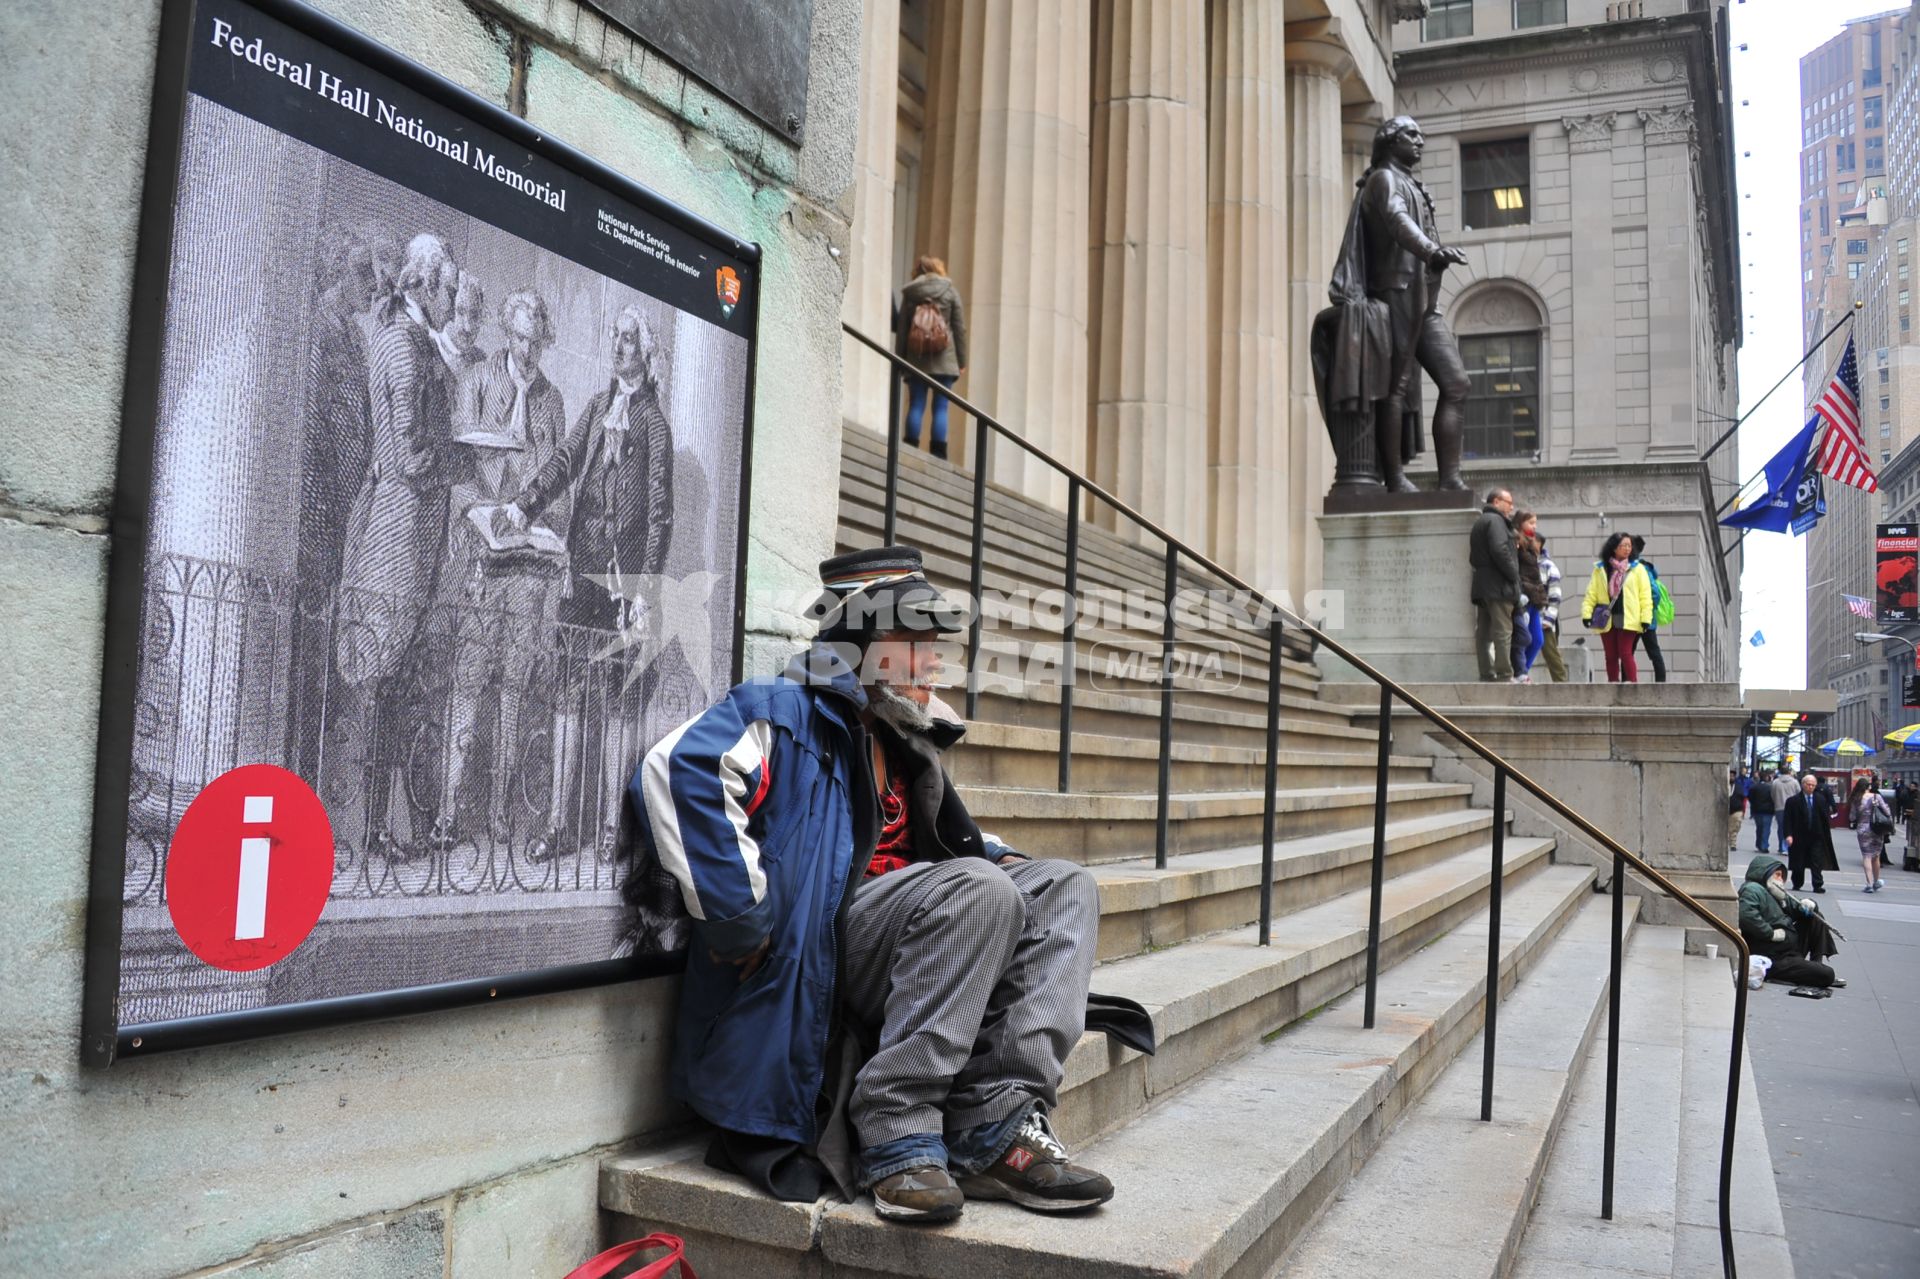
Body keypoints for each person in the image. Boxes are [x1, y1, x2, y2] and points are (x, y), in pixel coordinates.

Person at [636, 546, 1126, 1224]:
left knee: (1066, 884)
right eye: (912, 641)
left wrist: (1004, 860)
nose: (933, 659)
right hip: (828, 950)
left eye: (935, 643)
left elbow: (939, 843)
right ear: (858, 645)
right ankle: (897, 1131)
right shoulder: (781, 711)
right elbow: (680, 768)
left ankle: (995, 1124)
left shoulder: (903, 739)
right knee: (980, 890)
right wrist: (739, 916)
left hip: (921, 927)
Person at [502, 303, 676, 864]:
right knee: (569, 697)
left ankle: (609, 830)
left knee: (621, 707)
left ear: (645, 354)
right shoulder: (599, 405)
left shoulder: (653, 423)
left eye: (630, 339)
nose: (620, 346)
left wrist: (643, 595)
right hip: (582, 578)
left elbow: (659, 514)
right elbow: (564, 460)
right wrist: (526, 505)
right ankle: (556, 824)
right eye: (616, 336)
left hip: (624, 589)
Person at [336, 232, 462, 855]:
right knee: (386, 675)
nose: (451, 299)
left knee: (392, 676)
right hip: (401, 528)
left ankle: (382, 826)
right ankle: (375, 828)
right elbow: (408, 450)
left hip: (399, 518)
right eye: (448, 288)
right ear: (426, 285)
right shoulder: (408, 346)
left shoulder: (398, 338)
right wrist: (460, 456)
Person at [432, 288, 568, 851]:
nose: (528, 349)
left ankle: (499, 818)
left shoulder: (553, 400)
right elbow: (459, 466)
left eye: (537, 340)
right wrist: (478, 515)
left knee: (514, 687)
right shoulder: (478, 381)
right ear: (506, 336)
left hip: (529, 568)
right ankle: (445, 814)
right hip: (481, 559)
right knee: (467, 683)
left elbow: (560, 481)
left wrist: (548, 531)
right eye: (519, 338)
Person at [1355, 116, 1471, 492]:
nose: (1420, 141)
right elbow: (1396, 219)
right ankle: (1395, 479)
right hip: (1396, 289)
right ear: (1390, 141)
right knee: (1397, 385)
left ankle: (1450, 479)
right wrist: (1431, 250)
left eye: (1421, 134)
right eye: (1411, 134)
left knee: (1456, 383)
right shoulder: (1384, 179)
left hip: (1424, 298)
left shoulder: (1409, 182)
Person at [894, 255, 968, 461]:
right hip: (945, 360)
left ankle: (910, 446)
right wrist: (961, 361)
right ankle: (938, 453)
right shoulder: (950, 291)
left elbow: (902, 329)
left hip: (916, 358)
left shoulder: (911, 294)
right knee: (941, 407)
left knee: (916, 404)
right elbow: (959, 329)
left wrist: (901, 359)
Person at [1737, 854, 1842, 991]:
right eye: (1778, 875)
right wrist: (1770, 933)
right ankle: (1813, 972)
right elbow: (1746, 915)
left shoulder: (1777, 894)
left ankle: (1816, 963)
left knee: (1815, 917)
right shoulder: (1752, 889)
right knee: (1827, 974)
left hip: (1788, 948)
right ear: (1765, 874)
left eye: (1782, 876)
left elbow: (1797, 906)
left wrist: (1810, 904)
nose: (1781, 880)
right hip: (1774, 957)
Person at [1580, 532, 1652, 683]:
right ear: (1614, 548)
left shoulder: (1638, 569)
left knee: (1625, 652)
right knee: (1610, 655)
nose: (1627, 549)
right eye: (1623, 545)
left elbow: (1645, 596)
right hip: (1607, 616)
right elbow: (1591, 593)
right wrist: (1586, 614)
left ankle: (1632, 684)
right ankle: (1613, 684)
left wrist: (1646, 618)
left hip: (1629, 616)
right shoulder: (1601, 569)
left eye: (1629, 546)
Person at [1469, 488, 1520, 682]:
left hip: (1484, 586)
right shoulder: (1496, 521)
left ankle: (1486, 672)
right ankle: (1505, 673)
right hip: (1499, 585)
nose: (1511, 506)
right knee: (1503, 631)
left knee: (1483, 631)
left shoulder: (1481, 522)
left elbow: (1473, 557)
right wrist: (1514, 574)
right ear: (1497, 501)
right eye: (1509, 502)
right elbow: (1499, 550)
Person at [1779, 772, 1839, 893]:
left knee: (1816, 861)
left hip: (1816, 835)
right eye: (1808, 784)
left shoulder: (1820, 800)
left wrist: (1825, 835)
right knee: (1799, 861)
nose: (1810, 787)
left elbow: (1824, 818)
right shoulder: (1793, 801)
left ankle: (1817, 884)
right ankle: (1797, 882)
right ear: (1802, 785)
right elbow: (1787, 820)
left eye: (1813, 785)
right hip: (1799, 836)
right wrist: (1788, 835)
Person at [1627, 534, 1669, 683]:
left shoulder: (1642, 569)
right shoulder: (1629, 569)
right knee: (1628, 652)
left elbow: (1655, 594)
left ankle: (1661, 683)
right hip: (1633, 619)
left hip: (1644, 619)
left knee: (1651, 651)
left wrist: (1646, 611)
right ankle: (1627, 682)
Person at [1512, 510, 1548, 683]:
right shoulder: (1516, 541)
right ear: (1521, 523)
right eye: (1531, 522)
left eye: (1536, 523)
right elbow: (1515, 570)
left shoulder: (1532, 544)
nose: (1535, 526)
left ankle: (1523, 671)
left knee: (1538, 640)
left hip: (1534, 598)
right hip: (1523, 597)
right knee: (1524, 638)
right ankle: (1520, 672)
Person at [1849, 776, 1892, 893]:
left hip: (1863, 830)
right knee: (1876, 856)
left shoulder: (1856, 799)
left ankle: (1868, 883)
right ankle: (1876, 881)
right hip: (1877, 829)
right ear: (1868, 787)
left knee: (1866, 856)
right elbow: (1887, 812)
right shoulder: (1876, 797)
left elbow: (1852, 817)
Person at [1536, 535, 1569, 683]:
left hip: (1544, 618)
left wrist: (1549, 618)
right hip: (1528, 616)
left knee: (1551, 654)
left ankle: (1562, 686)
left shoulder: (1548, 565)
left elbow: (1555, 594)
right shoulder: (1523, 562)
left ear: (1539, 545)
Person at [1750, 768, 1778, 853]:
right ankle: (1764, 845)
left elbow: (1750, 798)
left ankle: (1759, 844)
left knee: (1759, 828)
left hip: (1757, 810)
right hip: (1768, 811)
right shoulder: (1770, 788)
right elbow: (1773, 798)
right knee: (1766, 829)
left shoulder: (1754, 787)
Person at [1727, 770, 1744, 854]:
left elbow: (1742, 797)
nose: (1731, 777)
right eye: (1730, 776)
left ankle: (1733, 844)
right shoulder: (1724, 785)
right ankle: (1727, 842)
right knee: (1726, 828)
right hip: (1724, 810)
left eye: (1733, 776)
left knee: (1735, 828)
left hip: (1736, 810)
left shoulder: (1738, 786)